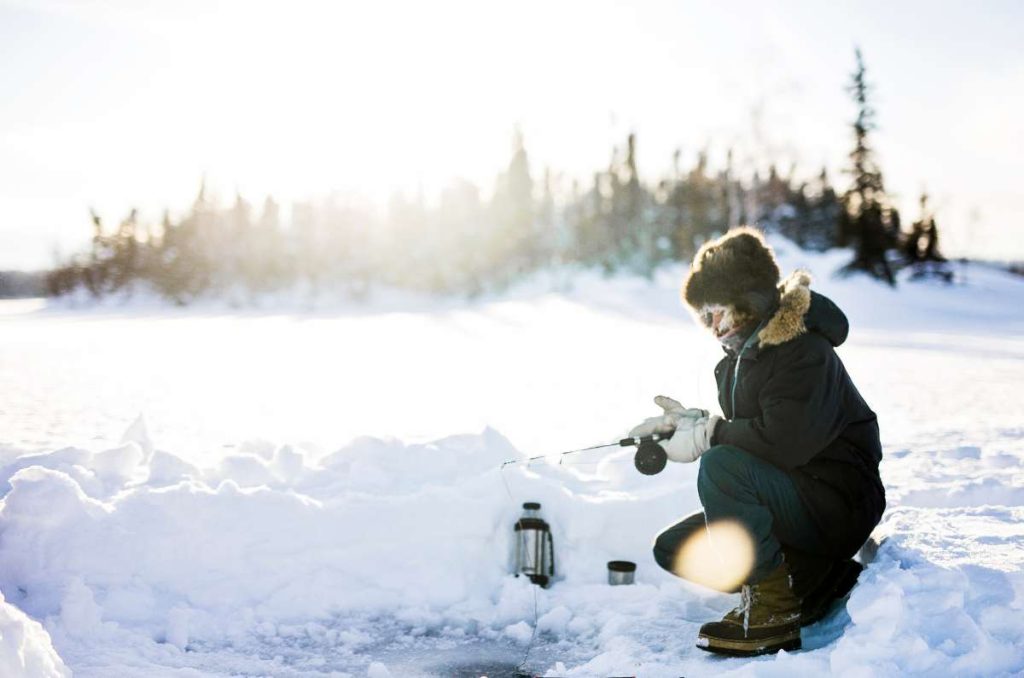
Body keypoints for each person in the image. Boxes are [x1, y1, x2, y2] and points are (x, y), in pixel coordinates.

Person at [631, 227, 885, 656]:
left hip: (840, 503)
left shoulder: (803, 350)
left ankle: (774, 614)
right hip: (796, 499)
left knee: (720, 465)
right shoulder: (738, 363)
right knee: (676, 548)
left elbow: (783, 442)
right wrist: (690, 425)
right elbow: (755, 443)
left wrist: (711, 435)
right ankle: (815, 582)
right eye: (703, 315)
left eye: (716, 311)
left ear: (746, 299)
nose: (711, 326)